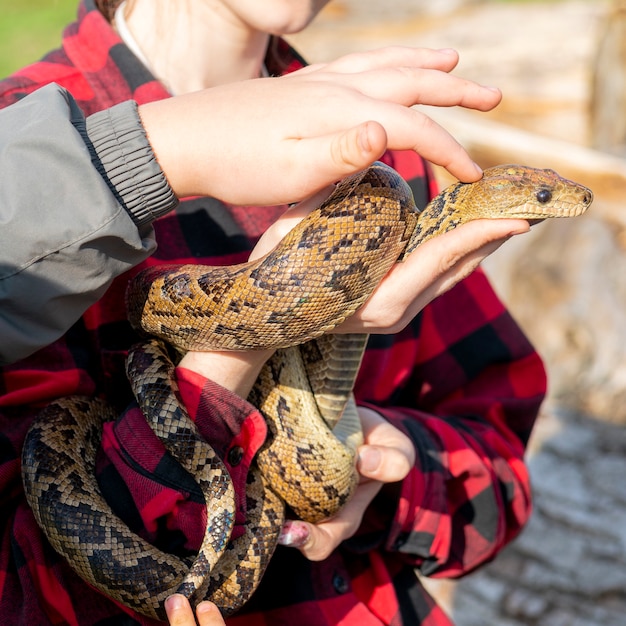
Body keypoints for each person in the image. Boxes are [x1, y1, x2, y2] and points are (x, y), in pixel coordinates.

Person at [0, 2, 545, 626]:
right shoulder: (27, 165)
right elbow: (24, 588)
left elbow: (501, 468)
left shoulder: (393, 154)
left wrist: (389, 476)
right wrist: (240, 348)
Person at [1, 58, 494, 366]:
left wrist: (393, 462)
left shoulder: (385, 141)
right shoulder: (19, 115)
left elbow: (490, 415)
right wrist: (149, 153)